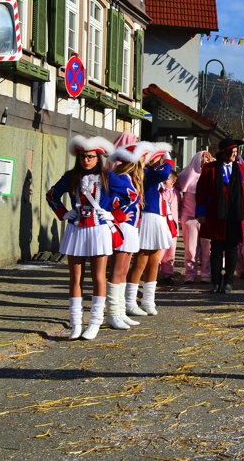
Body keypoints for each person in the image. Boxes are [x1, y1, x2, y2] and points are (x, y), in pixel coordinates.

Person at [46, 136, 133, 340]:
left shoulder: (109, 177)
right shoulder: (70, 177)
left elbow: (132, 196)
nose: (86, 160)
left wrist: (115, 215)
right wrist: (63, 212)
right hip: (76, 229)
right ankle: (76, 323)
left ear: (98, 157)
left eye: (91, 157)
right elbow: (51, 195)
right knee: (75, 278)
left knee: (98, 277)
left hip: (99, 230)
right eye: (83, 157)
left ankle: (95, 322)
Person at [195, 138, 244, 294]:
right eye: (231, 152)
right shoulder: (210, 169)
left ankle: (229, 281)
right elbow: (201, 191)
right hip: (215, 215)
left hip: (235, 216)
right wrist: (201, 213)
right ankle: (216, 282)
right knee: (216, 249)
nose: (234, 155)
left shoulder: (243, 170)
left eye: (236, 152)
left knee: (232, 249)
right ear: (223, 153)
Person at [105, 141, 151, 330]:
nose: (145, 161)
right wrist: (118, 214)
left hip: (131, 228)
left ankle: (121, 311)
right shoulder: (120, 178)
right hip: (122, 227)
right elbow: (105, 202)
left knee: (123, 271)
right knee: (117, 270)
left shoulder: (132, 179)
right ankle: (113, 313)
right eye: (142, 158)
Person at [126, 143, 175, 316]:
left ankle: (148, 300)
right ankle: (130, 301)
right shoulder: (143, 174)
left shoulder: (150, 173)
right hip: (147, 218)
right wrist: (167, 157)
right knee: (141, 261)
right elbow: (164, 172)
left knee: (154, 262)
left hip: (158, 219)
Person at [177, 151, 215, 284]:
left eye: (208, 158)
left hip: (208, 218)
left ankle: (206, 273)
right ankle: (190, 274)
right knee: (190, 248)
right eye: (204, 158)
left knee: (207, 248)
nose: (206, 161)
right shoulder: (186, 175)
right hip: (190, 217)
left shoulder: (214, 175)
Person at [158, 170, 181, 285]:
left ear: (173, 181)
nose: (163, 181)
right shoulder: (160, 192)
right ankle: (154, 272)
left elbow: (179, 206)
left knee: (170, 252)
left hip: (173, 227)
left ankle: (168, 274)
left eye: (165, 179)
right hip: (162, 226)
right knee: (160, 251)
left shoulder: (176, 193)